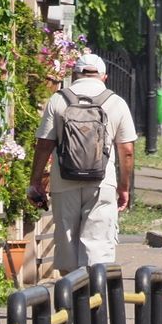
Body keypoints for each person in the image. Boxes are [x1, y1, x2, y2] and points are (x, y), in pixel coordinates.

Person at [28, 53, 138, 273]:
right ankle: (92, 299)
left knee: (67, 247)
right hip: (101, 184)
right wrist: (124, 187)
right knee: (97, 249)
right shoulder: (116, 102)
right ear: (104, 77)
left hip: (63, 182)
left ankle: (70, 299)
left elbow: (43, 145)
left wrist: (36, 181)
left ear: (74, 74)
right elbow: (126, 151)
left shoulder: (58, 100)